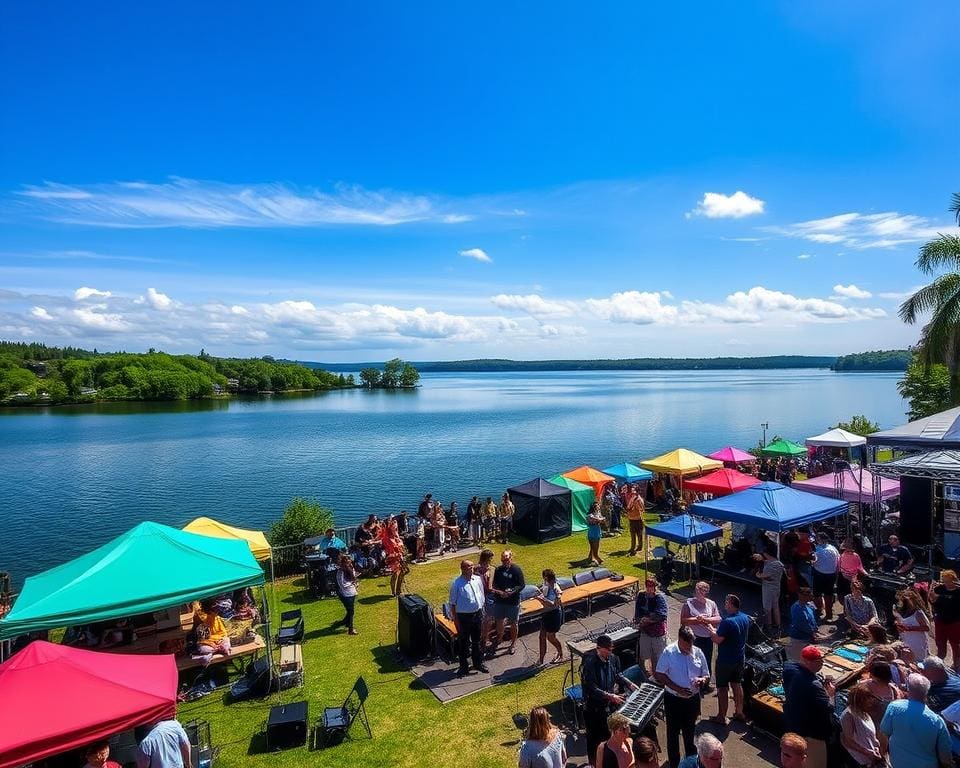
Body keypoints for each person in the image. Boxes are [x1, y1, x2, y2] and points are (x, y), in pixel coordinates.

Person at [654, 626, 710, 768]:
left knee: (690, 732)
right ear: (679, 640)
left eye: (691, 644)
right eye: (686, 645)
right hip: (674, 700)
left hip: (692, 700)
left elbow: (706, 674)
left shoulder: (698, 652)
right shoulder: (669, 652)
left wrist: (702, 680)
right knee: (672, 733)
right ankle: (674, 764)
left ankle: (690, 763)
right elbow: (659, 674)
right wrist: (678, 689)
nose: (689, 648)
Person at [582, 634, 638, 768]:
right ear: (599, 648)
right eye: (608, 649)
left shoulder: (613, 658)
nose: (611, 652)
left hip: (608, 707)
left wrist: (629, 683)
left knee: (607, 735)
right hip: (593, 708)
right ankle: (594, 763)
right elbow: (592, 688)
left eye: (611, 649)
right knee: (594, 739)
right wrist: (610, 696)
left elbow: (618, 674)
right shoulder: (590, 664)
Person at [879, 673, 952, 768]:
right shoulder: (937, 721)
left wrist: (882, 755)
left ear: (908, 690)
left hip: (898, 763)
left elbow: (884, 733)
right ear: (926, 692)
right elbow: (945, 753)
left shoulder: (894, 707)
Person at [782, 645, 834, 768]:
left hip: (795, 726)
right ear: (807, 662)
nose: (822, 663)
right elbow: (829, 708)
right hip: (812, 734)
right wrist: (831, 694)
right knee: (815, 763)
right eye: (819, 661)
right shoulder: (814, 685)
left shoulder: (792, 672)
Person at [707, 593, 750, 725]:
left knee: (722, 688)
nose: (725, 605)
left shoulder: (727, 622)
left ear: (731, 604)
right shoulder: (744, 617)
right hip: (739, 658)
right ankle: (739, 712)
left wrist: (711, 630)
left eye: (726, 603)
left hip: (725, 660)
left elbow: (717, 640)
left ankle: (721, 716)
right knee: (737, 684)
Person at [448, 559, 488, 676]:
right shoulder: (457, 584)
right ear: (463, 569)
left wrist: (482, 609)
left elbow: (481, 594)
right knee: (464, 642)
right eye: (469, 567)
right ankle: (463, 667)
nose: (472, 568)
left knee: (477, 641)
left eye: (472, 566)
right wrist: (455, 620)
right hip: (464, 617)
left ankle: (478, 663)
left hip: (478, 614)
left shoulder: (477, 579)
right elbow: (452, 603)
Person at [680, 581, 720, 680]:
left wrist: (706, 620)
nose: (700, 593)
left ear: (706, 592)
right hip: (694, 638)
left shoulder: (711, 603)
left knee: (706, 660)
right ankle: (692, 680)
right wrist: (697, 619)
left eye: (703, 591)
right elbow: (683, 621)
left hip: (707, 638)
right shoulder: (688, 604)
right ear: (696, 590)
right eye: (699, 590)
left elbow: (718, 618)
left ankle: (705, 682)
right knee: (693, 660)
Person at [840, 684, 887, 767]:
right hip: (860, 761)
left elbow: (870, 736)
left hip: (872, 757)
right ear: (860, 700)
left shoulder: (864, 713)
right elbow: (848, 741)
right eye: (868, 699)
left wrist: (875, 748)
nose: (871, 701)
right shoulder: (848, 715)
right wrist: (868, 752)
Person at [489, 549, 525, 655]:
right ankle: (499, 638)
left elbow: (521, 585)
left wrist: (512, 592)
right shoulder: (498, 570)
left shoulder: (516, 570)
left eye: (507, 559)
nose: (505, 562)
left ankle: (513, 644)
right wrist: (500, 592)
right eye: (503, 560)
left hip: (513, 602)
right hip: (500, 600)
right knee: (499, 621)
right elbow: (493, 584)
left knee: (514, 623)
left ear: (511, 558)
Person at [634, 577, 669, 676]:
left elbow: (661, 615)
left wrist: (648, 620)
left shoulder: (660, 597)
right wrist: (639, 620)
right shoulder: (641, 595)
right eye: (647, 586)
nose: (649, 588)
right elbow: (637, 612)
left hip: (657, 633)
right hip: (645, 631)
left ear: (655, 587)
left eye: (651, 586)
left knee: (657, 657)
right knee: (643, 654)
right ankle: (644, 674)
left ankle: (657, 677)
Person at [930, 569, 960, 671]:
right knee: (940, 644)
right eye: (943, 579)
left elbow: (954, 602)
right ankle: (940, 665)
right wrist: (931, 595)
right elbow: (933, 602)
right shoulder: (939, 589)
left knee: (955, 645)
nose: (945, 582)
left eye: (947, 579)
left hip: (954, 622)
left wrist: (939, 597)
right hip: (940, 621)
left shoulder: (958, 591)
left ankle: (956, 665)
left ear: (953, 579)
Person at [536, 568, 563, 666]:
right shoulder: (546, 585)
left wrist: (541, 599)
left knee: (551, 637)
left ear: (546, 578)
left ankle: (560, 653)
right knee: (541, 637)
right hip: (546, 614)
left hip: (554, 615)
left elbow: (554, 605)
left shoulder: (556, 588)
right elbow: (544, 592)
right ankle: (541, 659)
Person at [895, 589, 930, 660]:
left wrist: (910, 628)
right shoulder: (900, 612)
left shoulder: (918, 613)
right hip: (906, 641)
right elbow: (900, 627)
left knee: (919, 661)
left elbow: (926, 628)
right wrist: (898, 627)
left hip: (918, 642)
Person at [757, 546, 786, 633]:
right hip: (777, 587)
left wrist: (757, 574)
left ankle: (768, 626)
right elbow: (767, 562)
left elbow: (764, 576)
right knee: (775, 606)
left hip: (768, 589)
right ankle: (778, 625)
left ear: (767, 553)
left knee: (767, 608)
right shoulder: (779, 563)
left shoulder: (771, 565)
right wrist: (761, 560)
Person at [193, 599, 231, 664]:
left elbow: (223, 633)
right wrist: (212, 644)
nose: (216, 612)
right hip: (207, 643)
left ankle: (213, 652)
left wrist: (219, 641)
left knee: (227, 641)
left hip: (218, 641)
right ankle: (214, 652)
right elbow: (203, 638)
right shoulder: (201, 619)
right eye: (214, 610)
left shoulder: (217, 618)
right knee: (203, 649)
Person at [811, 532, 839, 620]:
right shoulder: (833, 548)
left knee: (817, 593)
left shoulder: (817, 549)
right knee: (828, 594)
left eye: (818, 539)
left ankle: (820, 610)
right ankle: (828, 614)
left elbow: (814, 561)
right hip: (831, 574)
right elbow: (838, 560)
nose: (817, 540)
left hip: (820, 573)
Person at [787, 586, 819, 661]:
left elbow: (813, 619)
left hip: (809, 637)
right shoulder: (796, 609)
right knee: (799, 659)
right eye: (808, 595)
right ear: (801, 596)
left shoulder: (810, 605)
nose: (811, 597)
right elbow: (800, 625)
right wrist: (813, 634)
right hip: (799, 638)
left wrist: (816, 630)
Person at [475, 548, 496, 645]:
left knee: (487, 618)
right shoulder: (476, 569)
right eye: (490, 558)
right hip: (480, 594)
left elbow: (490, 586)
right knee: (482, 617)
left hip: (488, 595)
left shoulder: (491, 569)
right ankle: (482, 637)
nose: (491, 560)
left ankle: (484, 637)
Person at [382, 517, 407, 596]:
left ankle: (398, 590)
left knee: (403, 572)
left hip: (400, 556)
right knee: (395, 574)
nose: (396, 529)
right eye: (394, 528)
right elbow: (389, 550)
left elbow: (400, 546)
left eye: (396, 527)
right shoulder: (387, 538)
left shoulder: (396, 536)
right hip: (393, 558)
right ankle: (393, 591)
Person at [335, 553, 359, 635]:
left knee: (350, 611)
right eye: (348, 562)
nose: (350, 563)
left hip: (352, 592)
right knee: (351, 611)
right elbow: (342, 584)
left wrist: (355, 582)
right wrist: (352, 582)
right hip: (345, 594)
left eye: (350, 561)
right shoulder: (340, 572)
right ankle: (350, 629)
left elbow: (354, 578)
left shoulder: (350, 569)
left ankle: (346, 623)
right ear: (343, 563)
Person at [626, 488, 645, 556]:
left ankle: (639, 546)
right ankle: (632, 547)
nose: (632, 493)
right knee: (632, 535)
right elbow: (629, 506)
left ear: (637, 492)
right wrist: (629, 509)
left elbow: (641, 509)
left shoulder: (639, 500)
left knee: (639, 534)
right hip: (632, 519)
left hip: (638, 519)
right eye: (632, 492)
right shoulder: (632, 498)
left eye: (634, 492)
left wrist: (633, 508)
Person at [586, 501, 604, 566]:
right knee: (595, 548)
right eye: (597, 506)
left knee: (592, 547)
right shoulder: (590, 515)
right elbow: (598, 519)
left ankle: (590, 558)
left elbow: (602, 520)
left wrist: (600, 519)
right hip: (594, 532)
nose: (598, 507)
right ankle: (597, 559)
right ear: (594, 507)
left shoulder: (596, 513)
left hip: (593, 532)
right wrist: (599, 519)